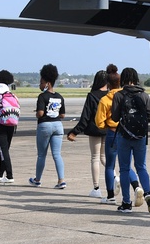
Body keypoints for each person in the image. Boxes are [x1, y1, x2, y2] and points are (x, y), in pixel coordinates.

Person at [110, 67, 150, 213]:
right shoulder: (144, 95)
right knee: (141, 166)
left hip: (124, 135)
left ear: (123, 79)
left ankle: (126, 203)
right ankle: (148, 193)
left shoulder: (119, 95)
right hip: (141, 137)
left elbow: (115, 118)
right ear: (136, 79)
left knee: (124, 169)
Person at [95, 66, 140, 205]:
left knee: (110, 165)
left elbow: (99, 122)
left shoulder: (105, 100)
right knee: (126, 165)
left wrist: (107, 126)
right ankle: (137, 186)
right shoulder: (125, 96)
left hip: (112, 133)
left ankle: (110, 196)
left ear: (108, 84)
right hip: (126, 132)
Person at [66, 67, 109, 198]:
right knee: (105, 158)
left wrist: (74, 132)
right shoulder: (111, 95)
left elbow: (85, 117)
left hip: (95, 129)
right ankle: (115, 177)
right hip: (108, 129)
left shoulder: (92, 96)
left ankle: (96, 188)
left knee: (95, 158)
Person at [28, 63, 67, 189]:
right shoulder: (60, 97)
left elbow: (40, 113)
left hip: (45, 125)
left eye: (41, 82)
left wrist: (38, 115)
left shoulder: (42, 96)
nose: (40, 84)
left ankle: (37, 179)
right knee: (57, 154)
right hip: (58, 125)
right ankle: (61, 180)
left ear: (47, 83)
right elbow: (63, 115)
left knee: (41, 155)